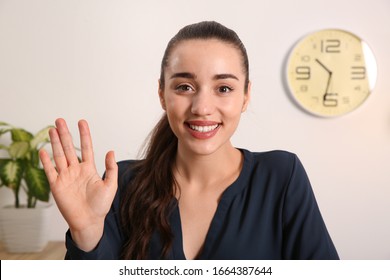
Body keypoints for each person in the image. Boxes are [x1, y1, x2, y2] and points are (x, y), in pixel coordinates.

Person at [39, 21, 339, 260]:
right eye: (184, 86)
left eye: (223, 88)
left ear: (246, 96)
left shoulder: (281, 175)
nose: (202, 107)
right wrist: (87, 234)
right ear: (161, 94)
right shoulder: (120, 184)